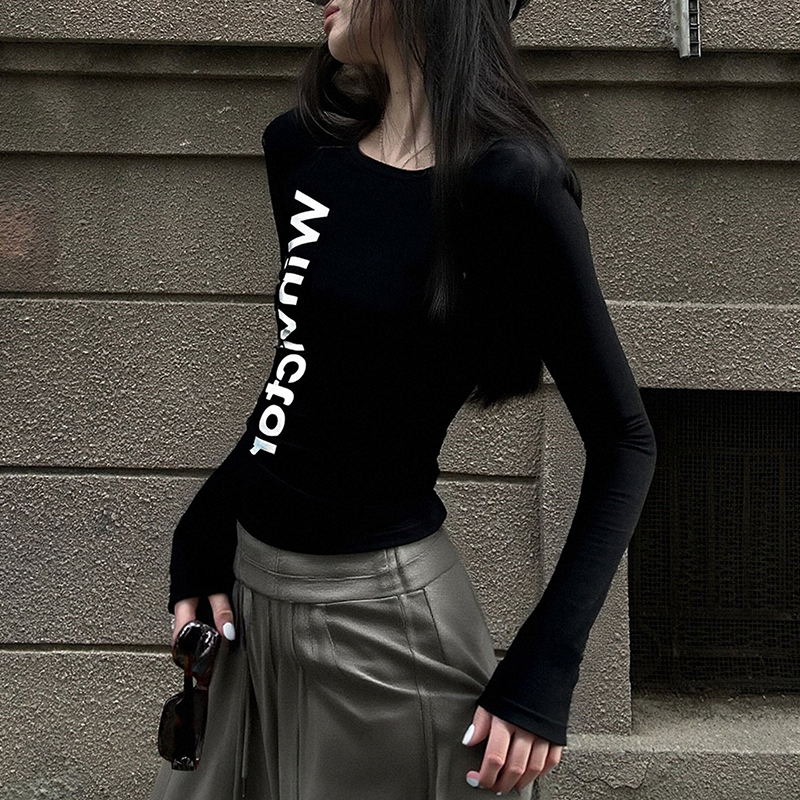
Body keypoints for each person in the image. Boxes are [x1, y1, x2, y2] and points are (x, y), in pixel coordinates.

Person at [147, 0, 658, 797]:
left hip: (387, 633)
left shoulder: (511, 185)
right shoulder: (302, 152)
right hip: (249, 611)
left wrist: (545, 670)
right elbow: (302, 376)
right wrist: (204, 527)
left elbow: (626, 439)